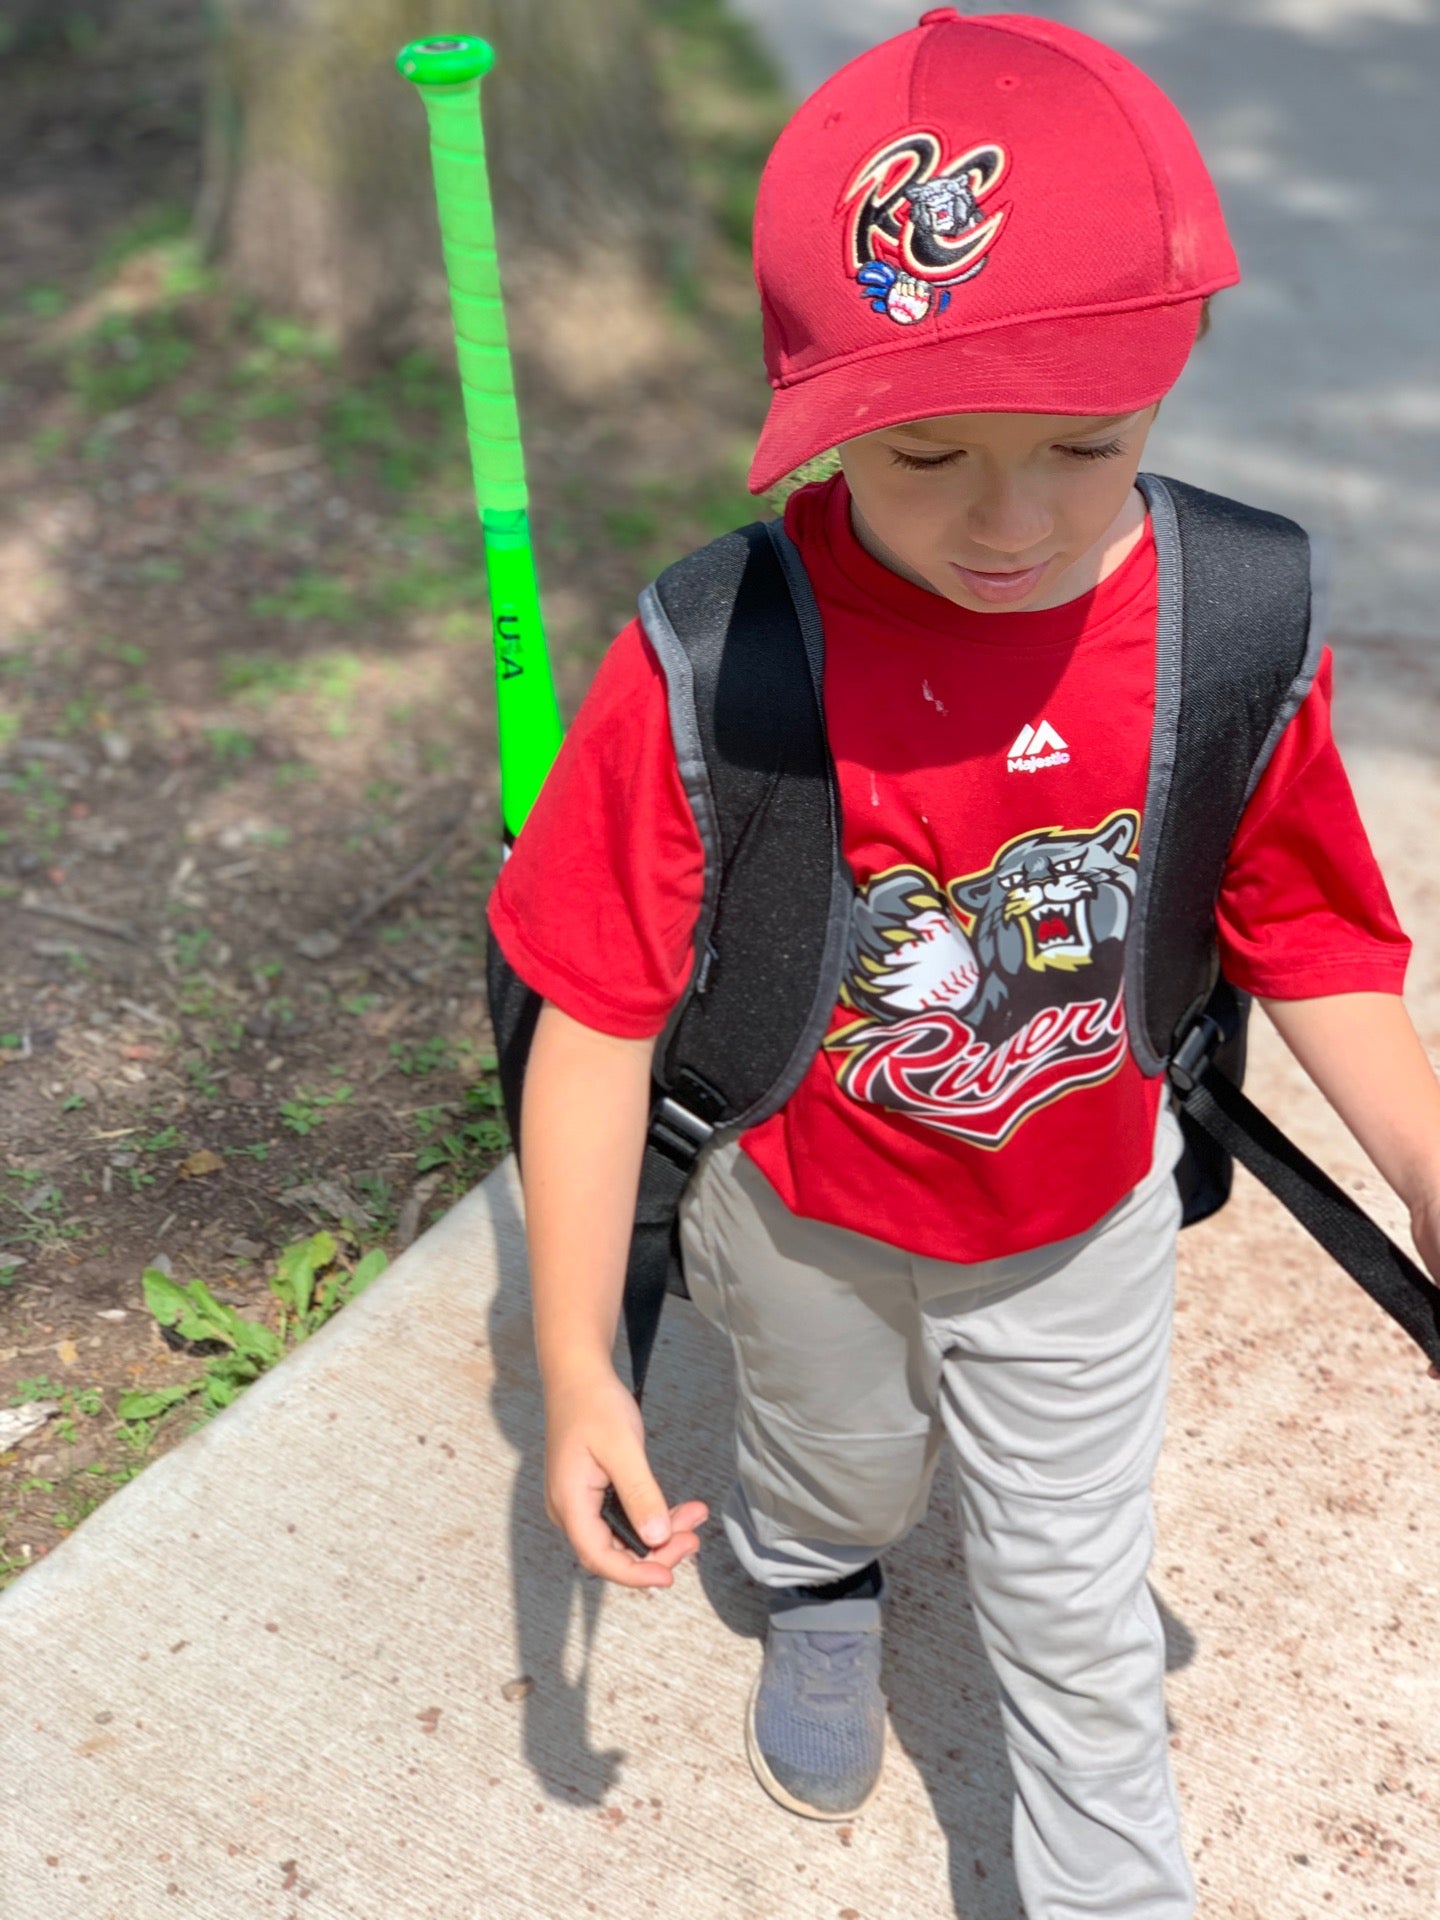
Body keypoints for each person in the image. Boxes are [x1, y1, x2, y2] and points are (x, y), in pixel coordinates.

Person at [487, 11, 1440, 1916]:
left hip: (1084, 1217)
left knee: (1077, 1604)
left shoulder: (1233, 619)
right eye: (923, 453)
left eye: (1085, 448)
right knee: (834, 1474)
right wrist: (582, 1365)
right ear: (818, 405)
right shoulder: (716, 655)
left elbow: (1312, 927)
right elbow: (597, 1015)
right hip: (809, 1205)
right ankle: (821, 1580)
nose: (1010, 521)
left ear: (1169, 379)